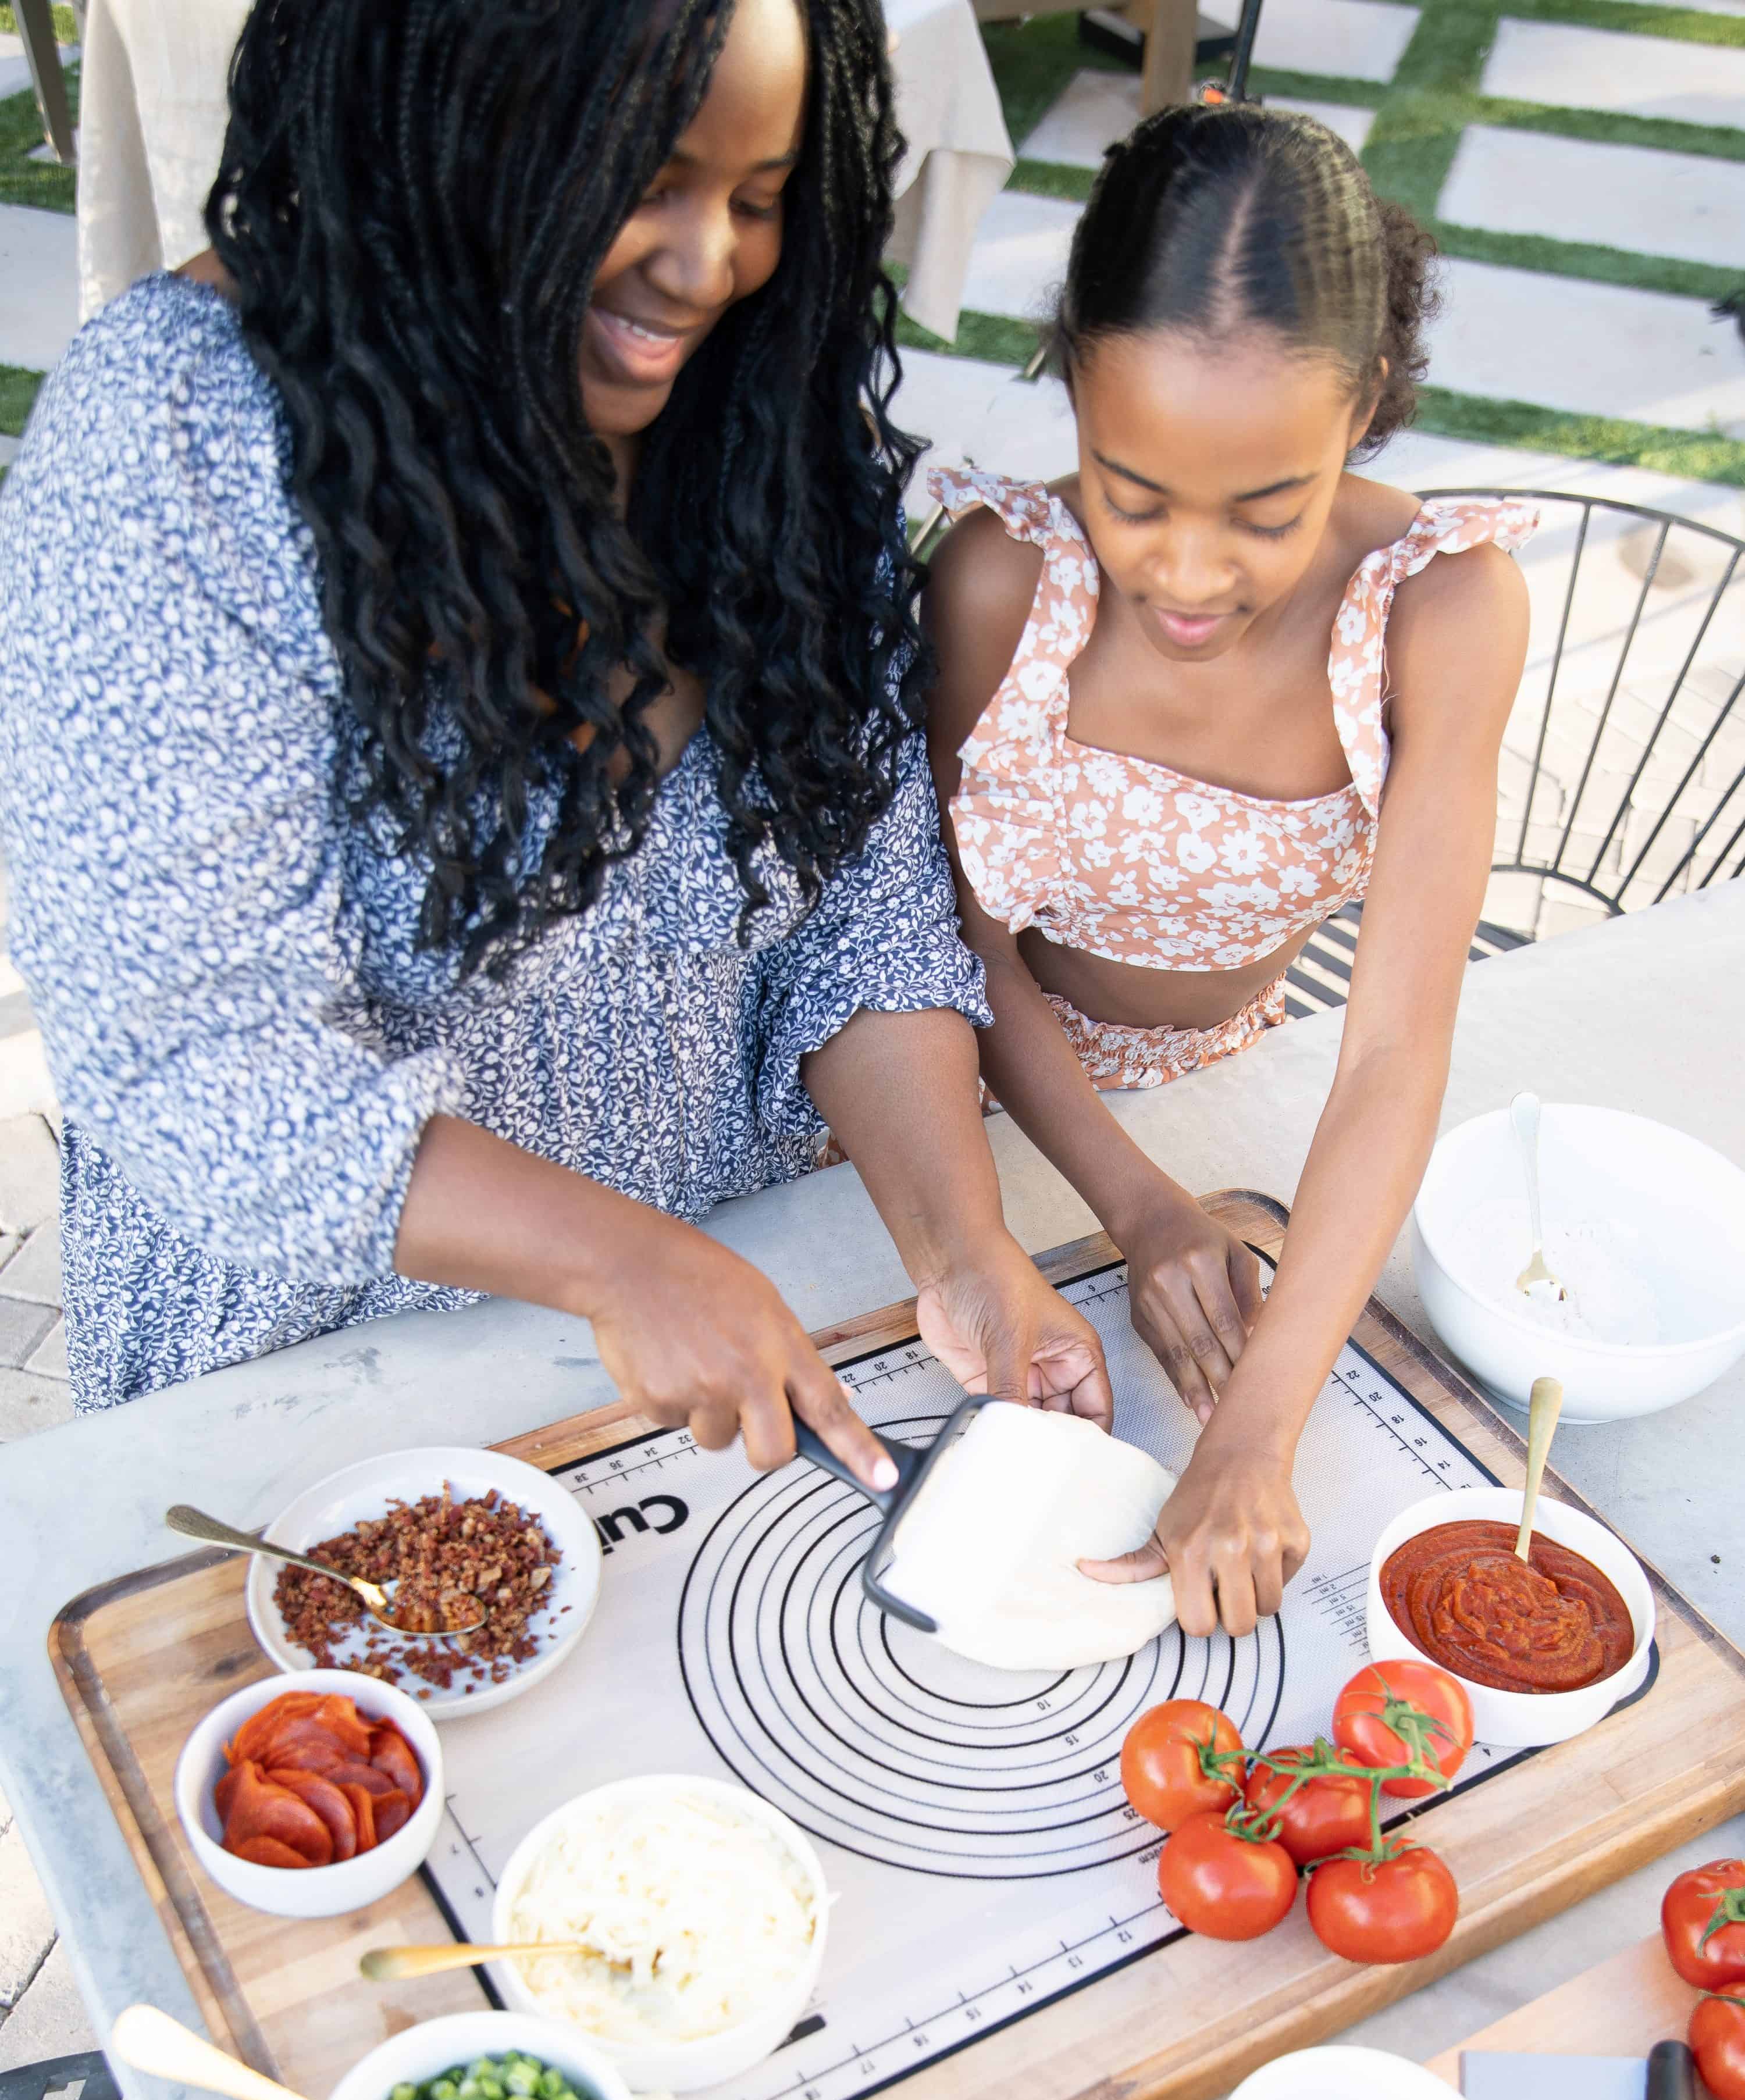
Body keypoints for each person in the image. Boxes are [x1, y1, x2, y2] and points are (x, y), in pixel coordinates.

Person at [0, 0, 1109, 1486]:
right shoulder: (176, 443)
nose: (704, 266)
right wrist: (617, 1262)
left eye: (759, 196)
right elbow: (196, 1064)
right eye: (642, 181)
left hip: (704, 1320)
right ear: (448, 113)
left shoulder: (759, 406)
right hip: (319, 1389)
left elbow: (858, 901)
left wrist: (962, 1248)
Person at [923, 105, 1534, 1638]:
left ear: (1367, 406)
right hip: (967, 1104)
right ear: (1075, 386)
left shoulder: (1439, 610)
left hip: (1236, 1091)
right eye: (1131, 494)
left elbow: (1393, 1048)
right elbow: (949, 949)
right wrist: (1138, 1208)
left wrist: (1258, 1433)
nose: (1189, 575)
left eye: (1268, 512)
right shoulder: (1002, 580)